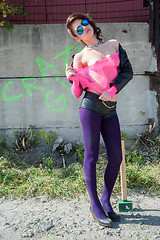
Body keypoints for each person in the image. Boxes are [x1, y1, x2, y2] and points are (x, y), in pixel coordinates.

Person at [65, 13, 133, 227]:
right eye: (78, 29)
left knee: (116, 157)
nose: (83, 28)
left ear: (90, 23)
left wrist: (113, 89)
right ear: (77, 37)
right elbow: (77, 92)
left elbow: (127, 72)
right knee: (92, 155)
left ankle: (105, 199)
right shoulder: (79, 57)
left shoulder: (114, 44)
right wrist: (72, 78)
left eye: (84, 23)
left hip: (110, 108)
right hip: (91, 107)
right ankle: (95, 204)